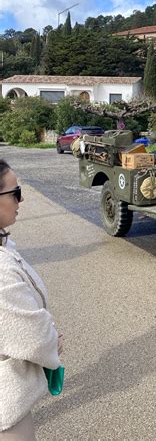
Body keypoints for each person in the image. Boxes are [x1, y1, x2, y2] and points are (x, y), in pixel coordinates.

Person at [0, 160, 63, 439]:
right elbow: (33, 338)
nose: (20, 199)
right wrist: (52, 343)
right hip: (6, 406)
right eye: (15, 192)